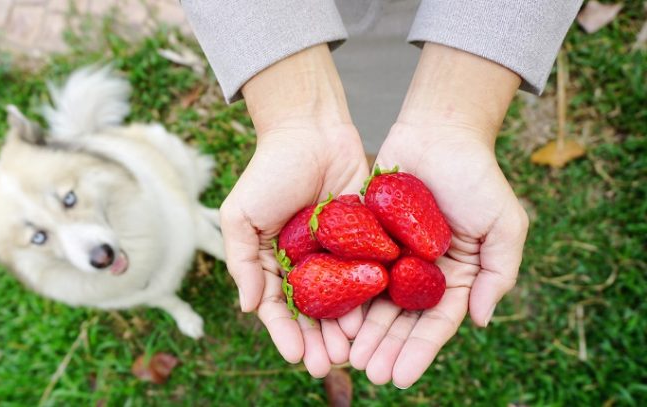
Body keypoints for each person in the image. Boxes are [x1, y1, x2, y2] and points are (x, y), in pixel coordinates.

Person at [181, 0, 583, 388]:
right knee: (360, 74)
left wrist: (458, 112)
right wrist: (295, 110)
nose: (382, 262)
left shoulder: (386, 242)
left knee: (399, 67)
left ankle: (385, 137)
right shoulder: (376, 251)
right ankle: (364, 144)